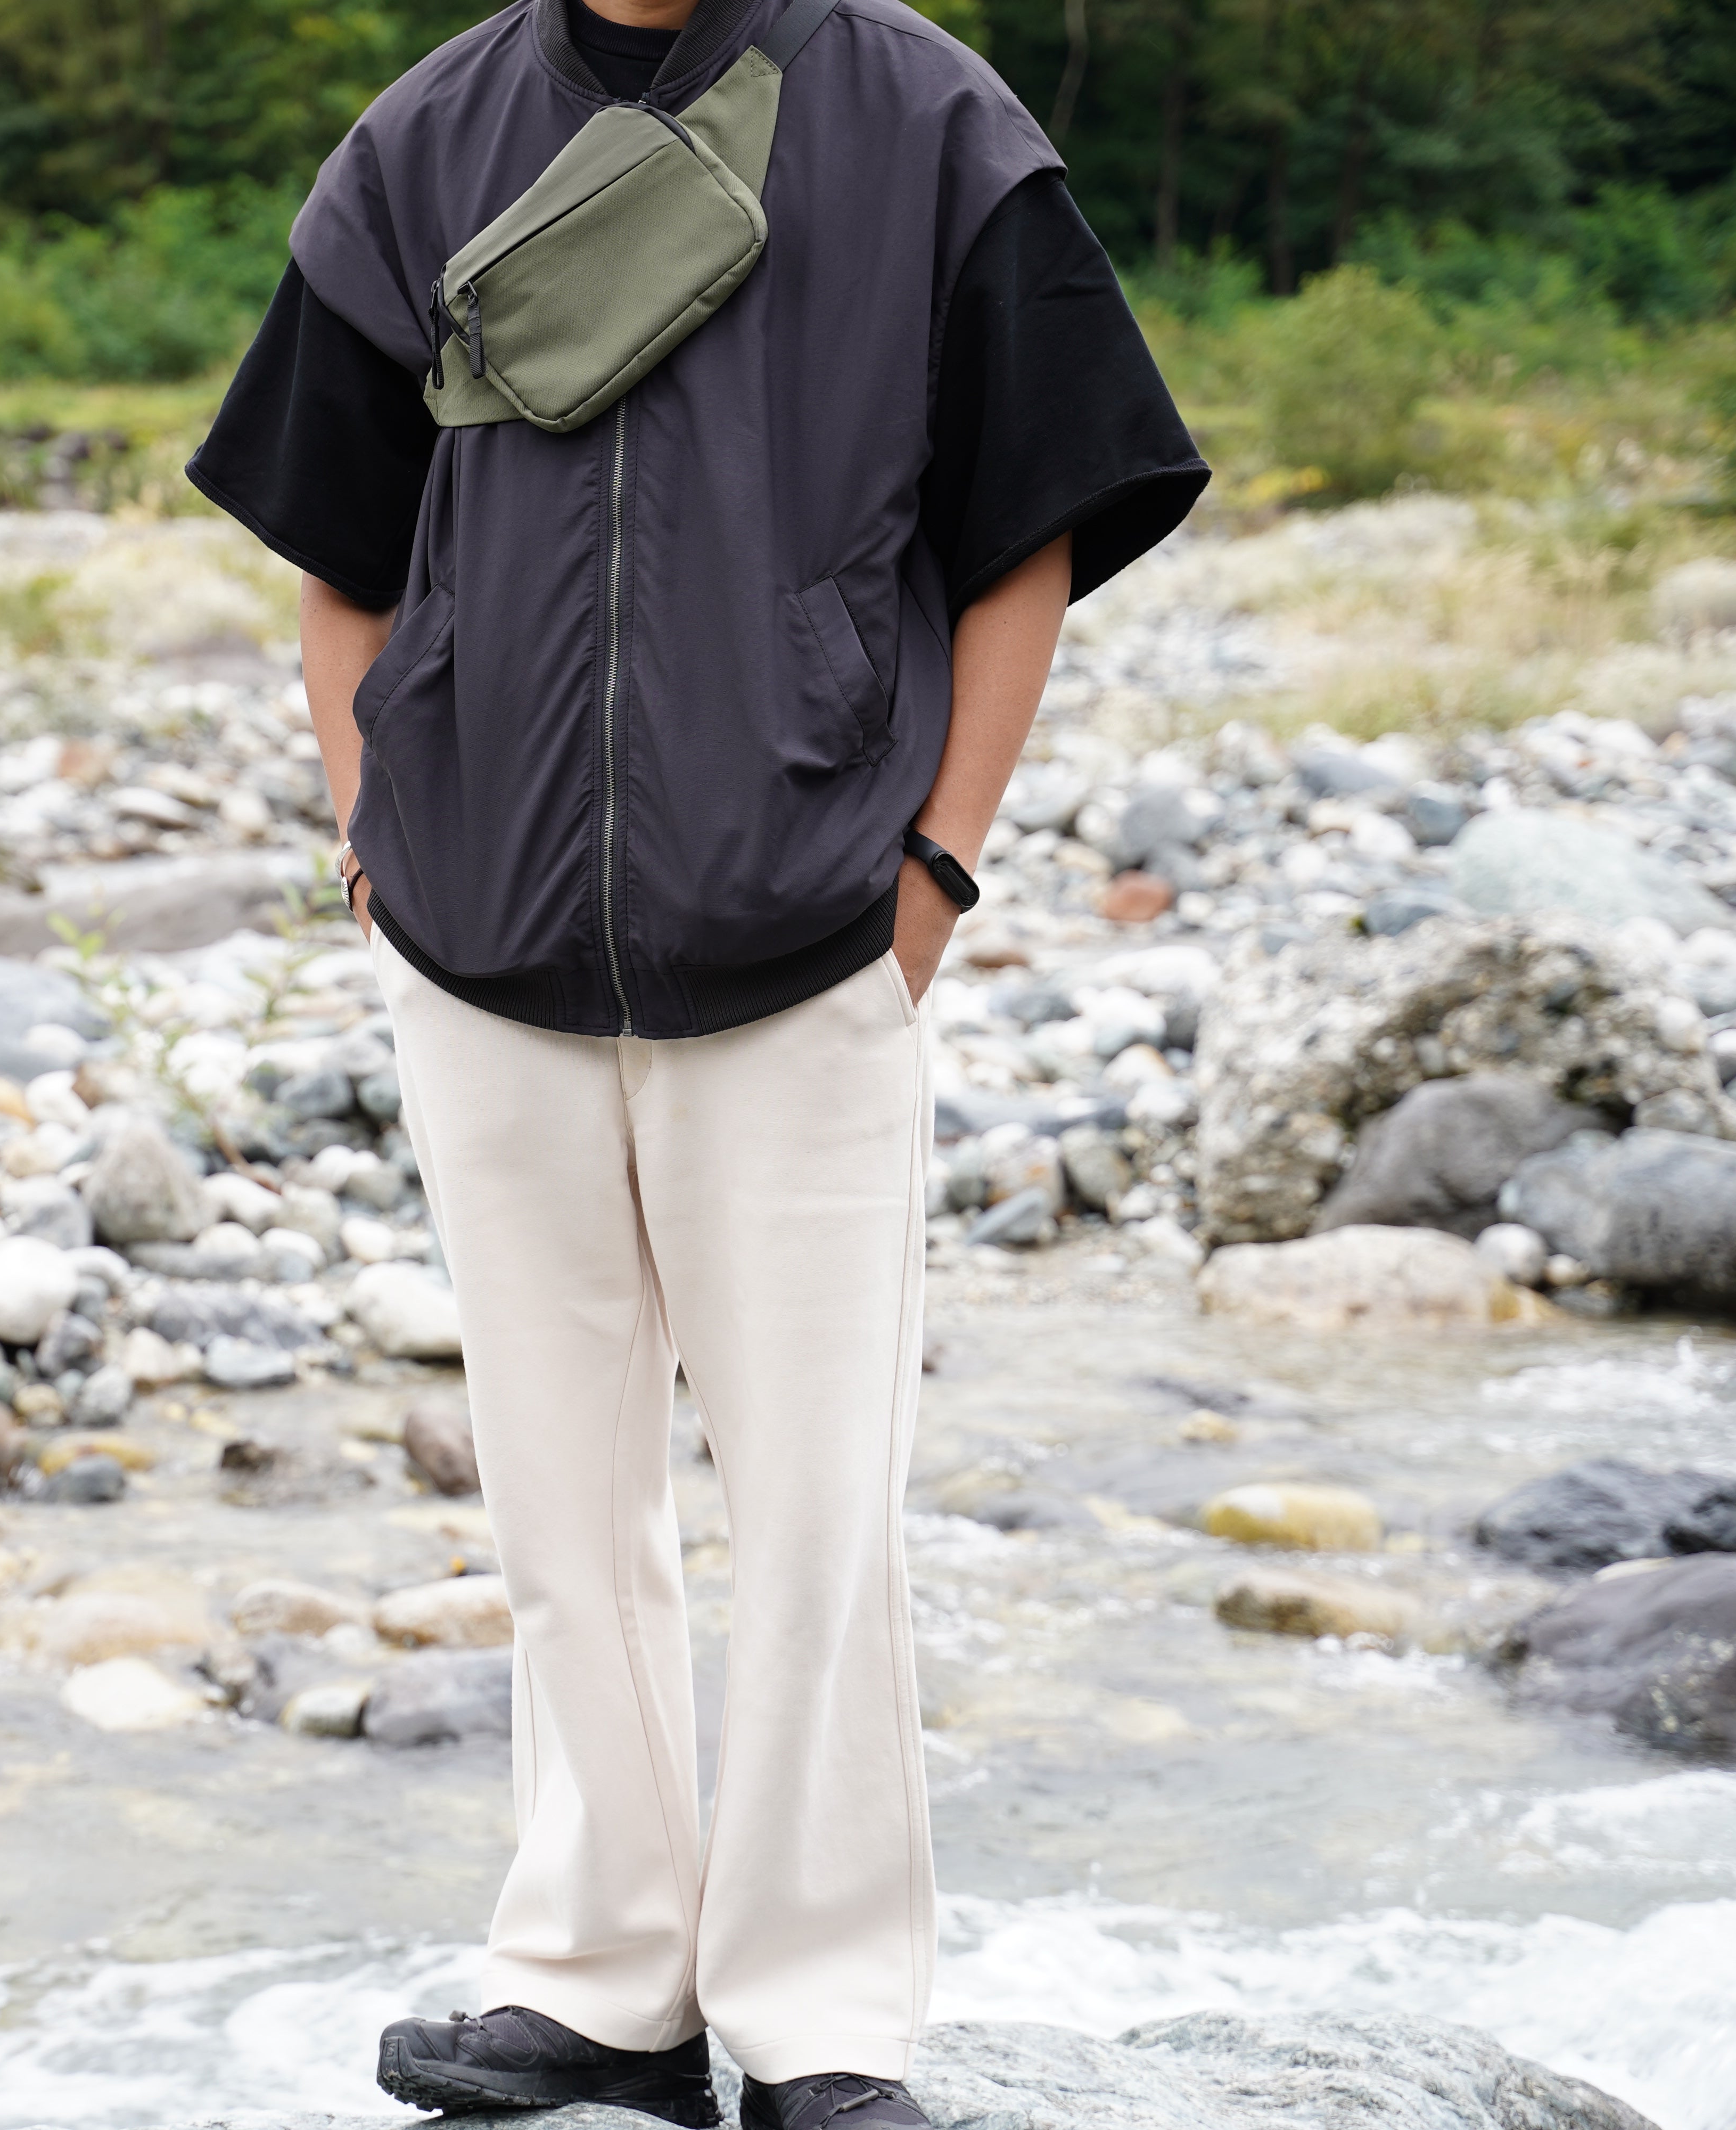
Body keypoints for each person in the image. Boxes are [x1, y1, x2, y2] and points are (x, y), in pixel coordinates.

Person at [185, 0, 1205, 2122]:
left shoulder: (922, 115)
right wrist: (380, 836)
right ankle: (599, 1982)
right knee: (561, 1504)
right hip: (482, 950)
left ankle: (822, 2019)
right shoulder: (425, 139)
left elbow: (1030, 533)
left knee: (820, 1510)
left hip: (812, 934)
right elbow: (337, 556)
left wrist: (935, 866)